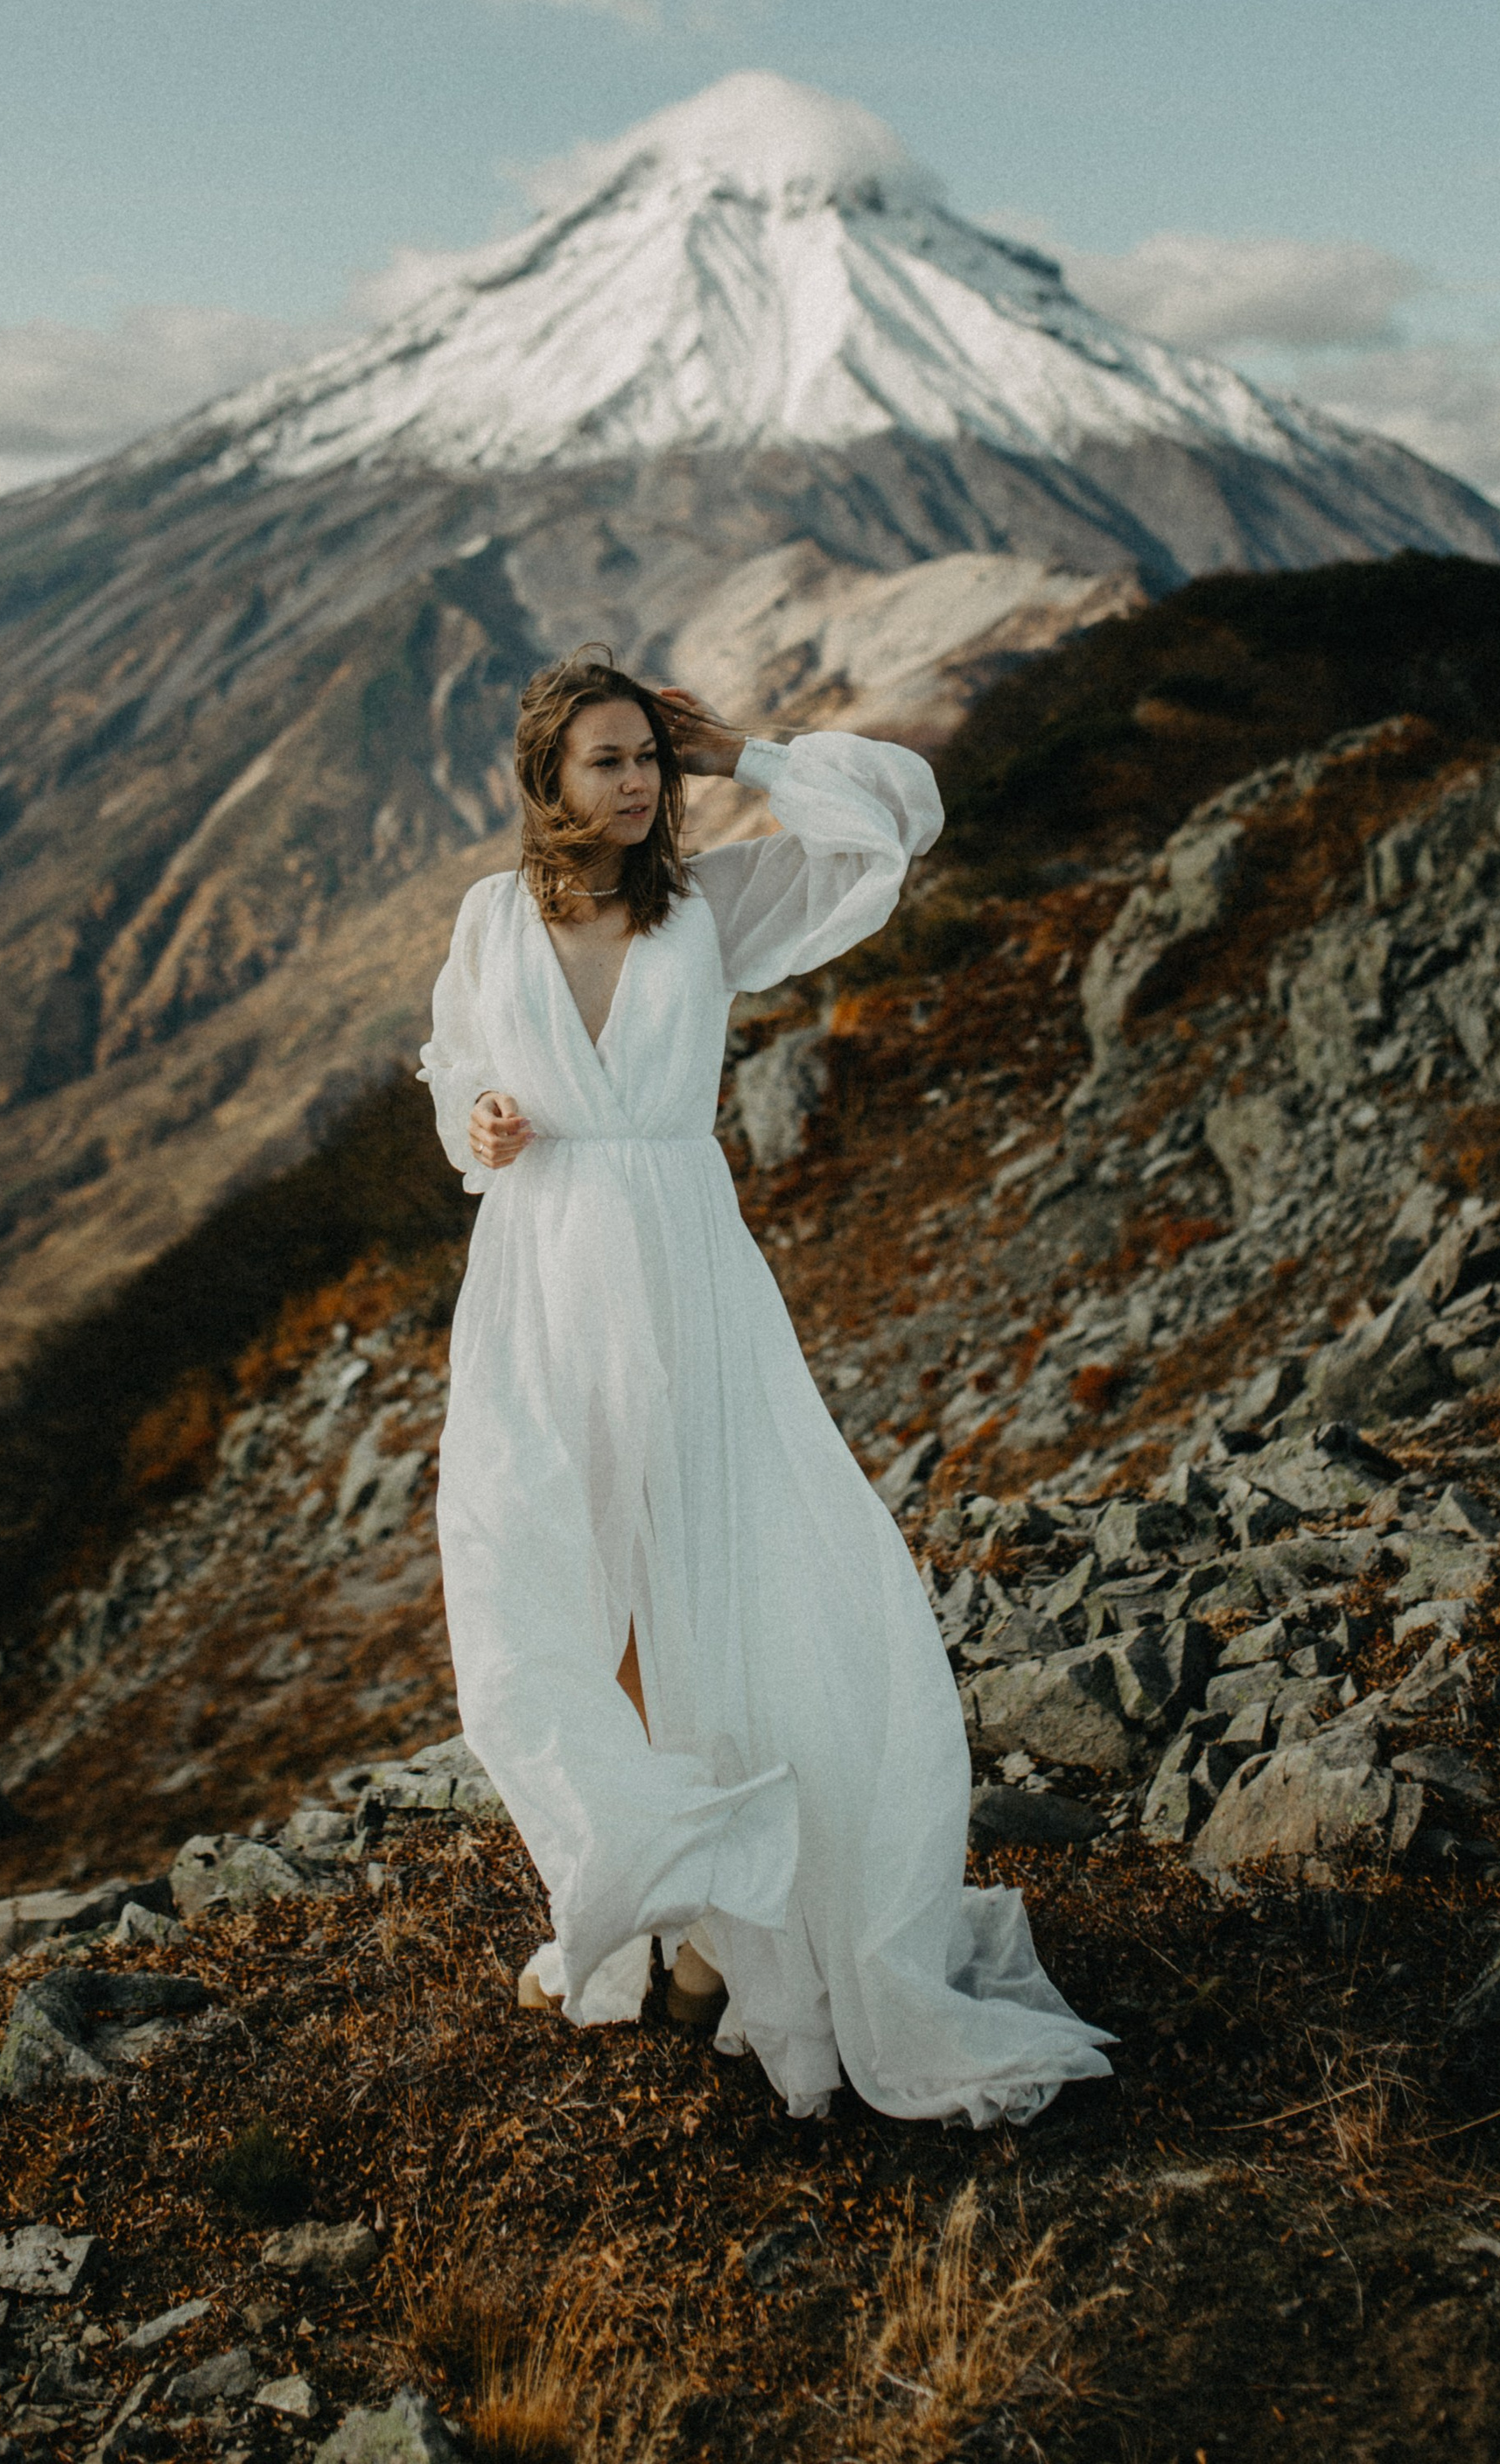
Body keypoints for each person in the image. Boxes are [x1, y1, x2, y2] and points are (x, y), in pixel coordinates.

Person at [416, 648, 1112, 2126]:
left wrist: (748, 756)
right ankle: (660, 1898)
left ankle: (730, 1938)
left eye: (647, 759)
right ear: (545, 778)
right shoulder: (491, 919)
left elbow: (894, 823)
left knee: (712, 1581)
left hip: (682, 1274)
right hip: (538, 1280)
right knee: (552, 1582)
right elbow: (454, 1060)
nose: (636, 783)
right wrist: (478, 1118)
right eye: (606, 760)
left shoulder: (705, 911)